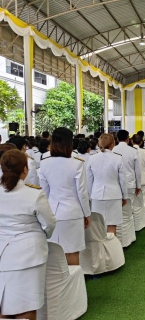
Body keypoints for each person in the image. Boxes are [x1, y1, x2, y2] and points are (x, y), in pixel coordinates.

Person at [0, 150, 56, 320]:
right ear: (25, 169)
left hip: (3, 252)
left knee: (5, 303)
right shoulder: (34, 193)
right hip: (29, 255)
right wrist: (43, 235)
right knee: (27, 306)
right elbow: (49, 223)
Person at [39, 127, 91, 265]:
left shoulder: (44, 164)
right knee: (72, 252)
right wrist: (87, 213)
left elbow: (44, 193)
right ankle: (74, 286)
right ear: (70, 143)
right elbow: (82, 193)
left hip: (52, 213)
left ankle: (57, 286)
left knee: (54, 253)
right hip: (72, 212)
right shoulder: (77, 164)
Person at [87, 134, 127, 235]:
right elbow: (123, 180)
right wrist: (124, 196)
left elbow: (89, 180)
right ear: (113, 144)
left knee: (97, 225)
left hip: (96, 195)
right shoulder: (118, 158)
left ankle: (100, 250)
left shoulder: (92, 158)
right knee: (112, 225)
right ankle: (111, 250)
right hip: (114, 194)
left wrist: (90, 195)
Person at [113, 130, 142, 241]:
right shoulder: (132, 151)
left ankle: (120, 236)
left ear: (116, 139)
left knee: (117, 211)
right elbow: (137, 170)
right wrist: (138, 185)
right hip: (130, 183)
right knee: (130, 209)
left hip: (116, 184)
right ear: (127, 139)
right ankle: (129, 235)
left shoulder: (113, 150)